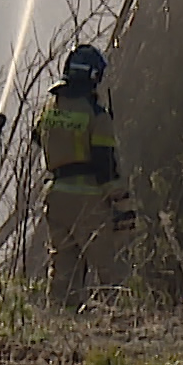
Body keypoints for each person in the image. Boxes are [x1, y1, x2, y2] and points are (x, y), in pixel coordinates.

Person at [34, 43, 135, 307]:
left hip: (56, 196)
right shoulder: (95, 114)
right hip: (88, 199)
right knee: (110, 268)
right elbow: (105, 165)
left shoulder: (50, 107)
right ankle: (121, 320)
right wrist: (122, 203)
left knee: (63, 272)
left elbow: (38, 137)